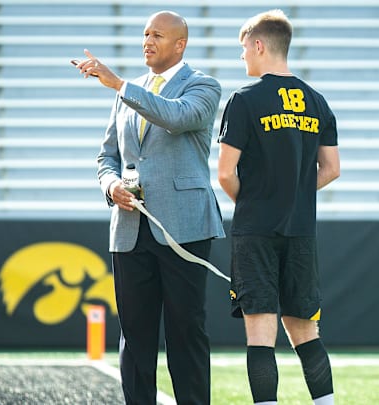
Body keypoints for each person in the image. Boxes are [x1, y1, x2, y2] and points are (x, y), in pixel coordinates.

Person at [75, 10, 224, 405]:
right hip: (128, 230)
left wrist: (119, 85)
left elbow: (176, 117)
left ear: (180, 44)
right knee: (135, 337)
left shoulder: (204, 86)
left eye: (156, 34)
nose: (147, 41)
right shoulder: (129, 91)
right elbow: (106, 156)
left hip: (185, 227)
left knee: (185, 333)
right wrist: (111, 187)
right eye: (144, 34)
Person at [217, 9, 341, 405]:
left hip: (256, 232)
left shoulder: (244, 99)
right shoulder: (317, 101)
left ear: (258, 45)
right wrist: (294, 195)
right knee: (306, 333)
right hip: (301, 231)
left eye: (243, 49)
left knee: (260, 334)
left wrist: (256, 202)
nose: (242, 58)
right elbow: (332, 169)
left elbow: (224, 173)